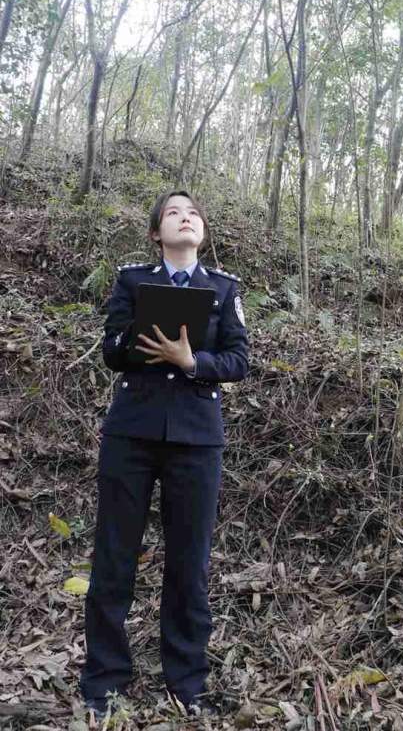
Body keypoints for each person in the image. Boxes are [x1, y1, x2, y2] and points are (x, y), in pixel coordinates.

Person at [79, 189, 249, 719]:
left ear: (203, 230)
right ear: (157, 233)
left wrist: (191, 359)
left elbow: (239, 359)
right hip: (132, 433)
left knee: (189, 561)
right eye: (173, 213)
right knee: (114, 556)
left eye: (193, 212)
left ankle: (186, 682)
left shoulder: (224, 288)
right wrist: (144, 341)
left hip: (197, 438)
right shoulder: (133, 280)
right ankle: (104, 682)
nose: (185, 217)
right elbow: (110, 350)